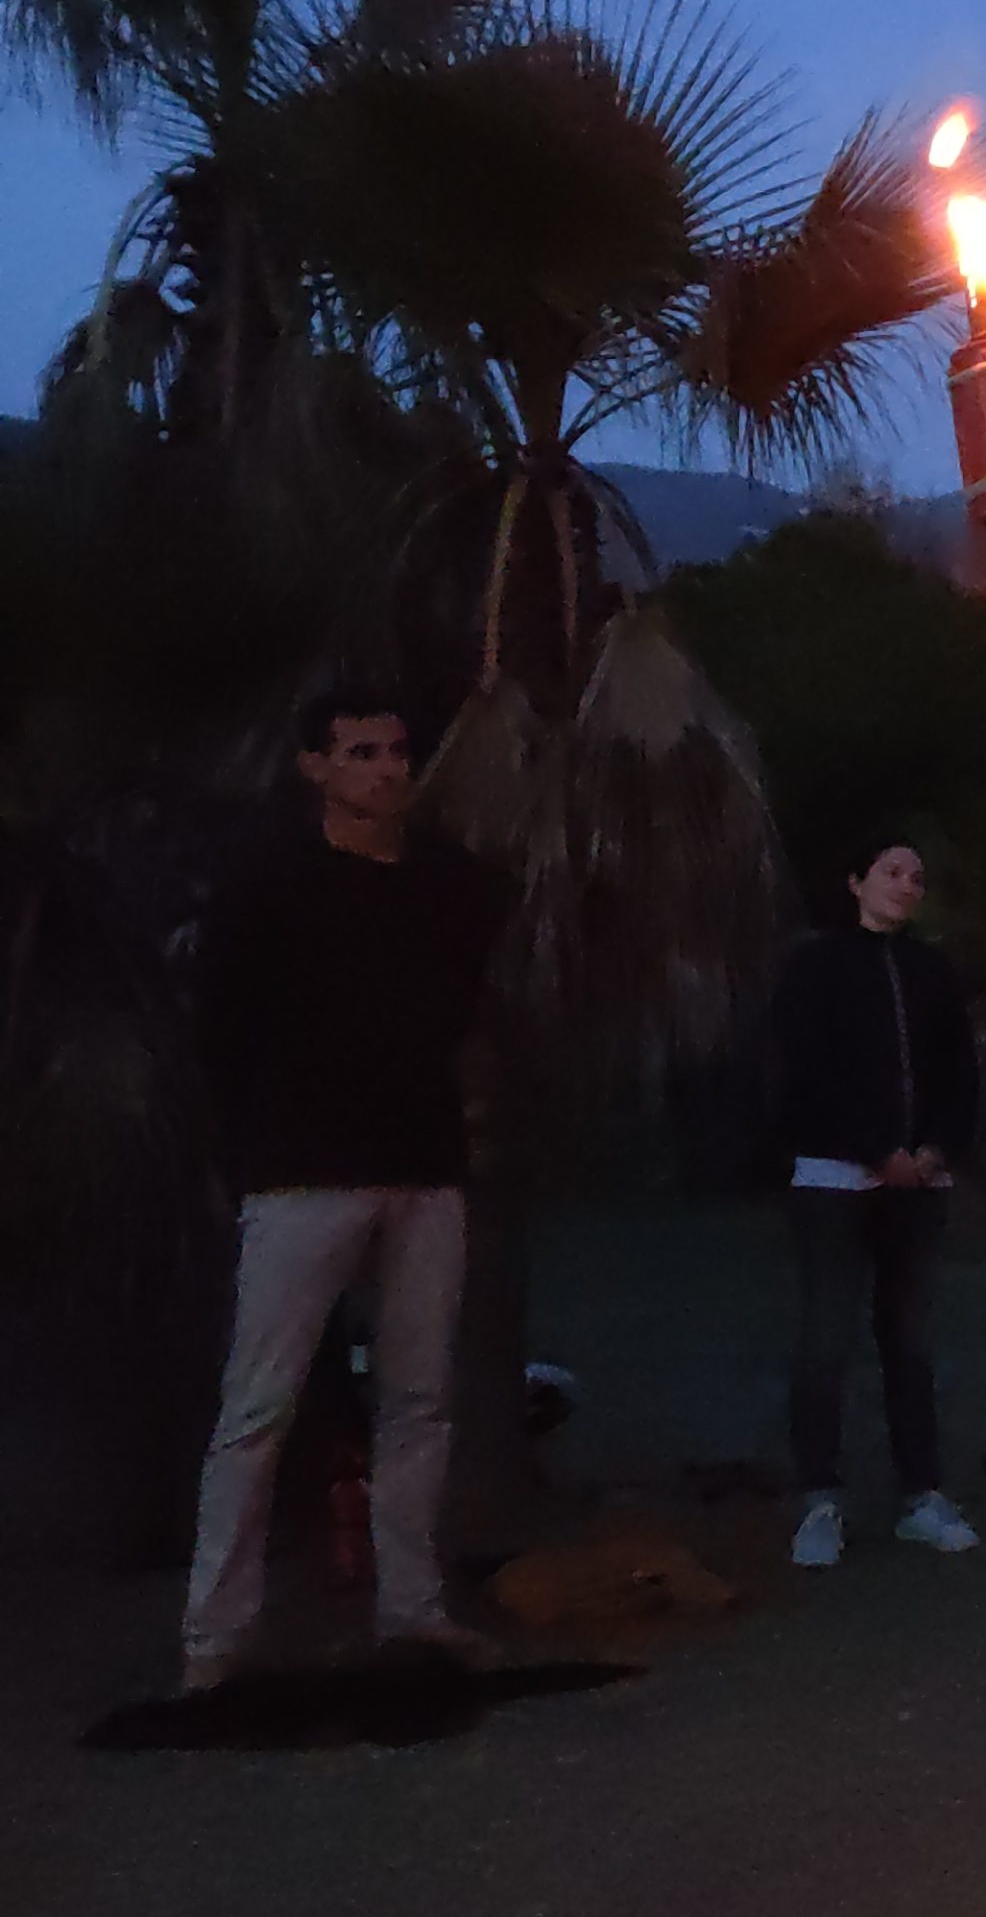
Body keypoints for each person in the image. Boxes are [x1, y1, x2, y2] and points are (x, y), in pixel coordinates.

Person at [182, 695, 507, 1693]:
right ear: (316, 767)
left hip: (420, 1165)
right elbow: (221, 1022)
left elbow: (464, 1007)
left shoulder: (448, 884)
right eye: (362, 754)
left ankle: (412, 1611)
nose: (386, 771)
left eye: (398, 752)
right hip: (304, 1171)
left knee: (419, 1399)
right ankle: (215, 1637)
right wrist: (246, 1146)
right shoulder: (270, 885)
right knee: (260, 1406)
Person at [768, 838, 982, 1568]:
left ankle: (922, 1492)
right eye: (892, 872)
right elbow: (805, 1072)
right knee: (827, 1338)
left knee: (911, 1341)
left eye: (917, 877)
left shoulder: (932, 971)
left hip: (921, 1183)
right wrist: (873, 1149)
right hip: (834, 1178)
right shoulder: (816, 968)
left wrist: (935, 1149)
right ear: (856, 881)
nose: (906, 886)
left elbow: (960, 1071)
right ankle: (820, 1498)